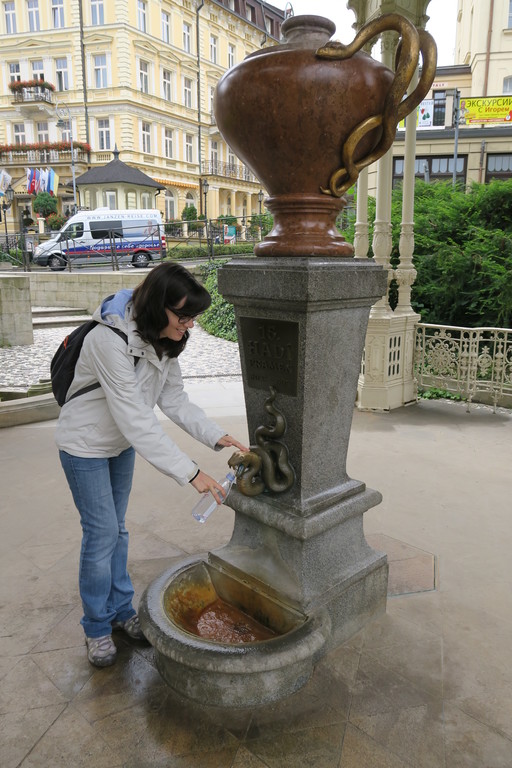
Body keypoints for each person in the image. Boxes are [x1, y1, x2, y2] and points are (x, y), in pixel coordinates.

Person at [56, 262, 247, 668]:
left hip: (119, 445)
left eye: (193, 317)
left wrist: (216, 435)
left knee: (117, 530)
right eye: (183, 316)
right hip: (84, 446)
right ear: (159, 305)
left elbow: (174, 400)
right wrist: (192, 473)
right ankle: (95, 627)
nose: (189, 325)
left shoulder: (162, 339)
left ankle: (122, 611)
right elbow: (137, 419)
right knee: (101, 533)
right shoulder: (108, 341)